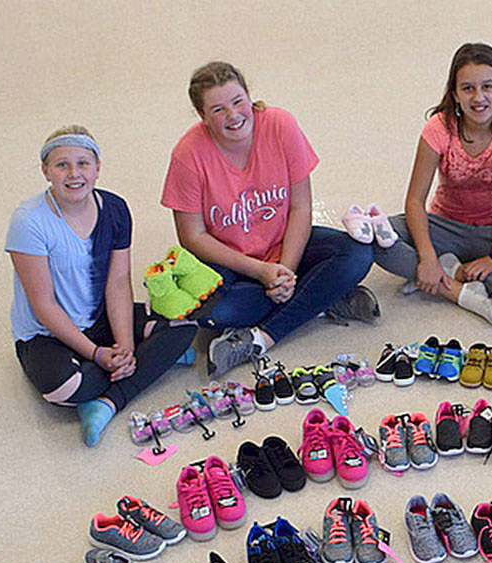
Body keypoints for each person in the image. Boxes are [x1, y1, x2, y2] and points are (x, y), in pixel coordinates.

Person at [162, 61, 377, 378]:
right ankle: (321, 298)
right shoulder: (188, 154)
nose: (234, 116)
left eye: (238, 102)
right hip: (231, 264)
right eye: (218, 109)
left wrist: (285, 271)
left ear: (249, 96)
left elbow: (301, 207)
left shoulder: (280, 125)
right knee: (219, 312)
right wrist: (262, 271)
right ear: (202, 116)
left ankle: (261, 337)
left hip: (285, 245)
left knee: (358, 253)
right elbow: (192, 237)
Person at [6, 127, 196, 447]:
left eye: (83, 163)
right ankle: (139, 369)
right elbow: (44, 304)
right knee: (68, 387)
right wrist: (96, 353)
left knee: (186, 326)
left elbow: (119, 283)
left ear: (97, 168)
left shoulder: (115, 209)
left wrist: (125, 347)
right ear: (45, 171)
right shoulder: (29, 221)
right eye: (61, 165)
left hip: (99, 318)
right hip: (46, 333)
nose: (74, 174)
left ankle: (106, 402)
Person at [373, 42, 492, 325]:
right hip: (445, 225)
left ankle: (451, 275)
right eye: (468, 88)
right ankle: (456, 287)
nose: (479, 97)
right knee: (377, 236)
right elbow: (414, 200)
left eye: (487, 86)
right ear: (455, 94)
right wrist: (427, 256)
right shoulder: (438, 127)